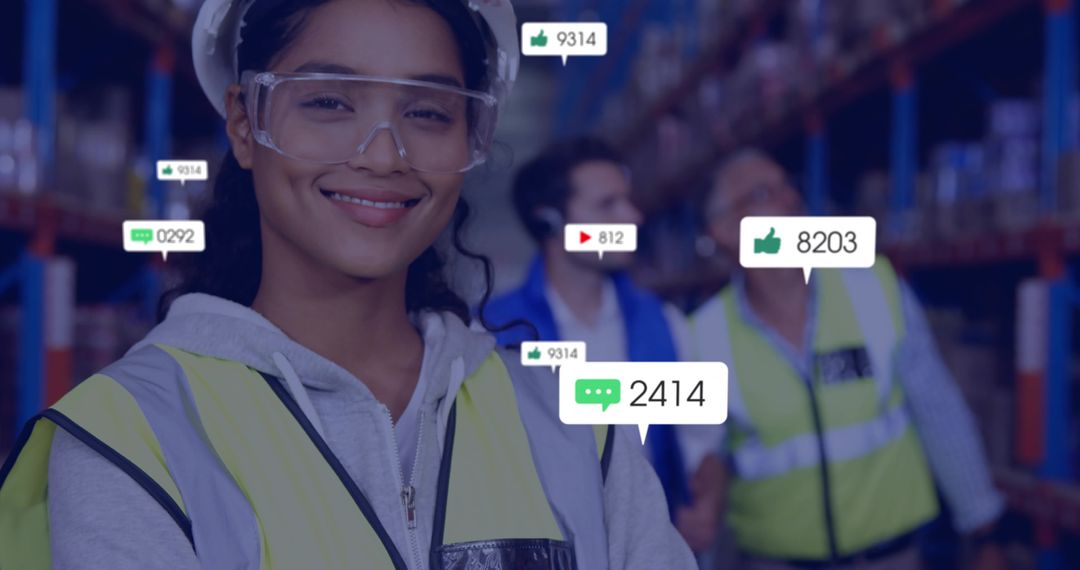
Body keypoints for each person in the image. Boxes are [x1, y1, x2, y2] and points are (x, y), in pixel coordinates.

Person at [0, 1, 695, 568]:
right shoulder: (130, 440)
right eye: (330, 102)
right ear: (245, 124)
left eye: (427, 113)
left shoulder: (580, 434)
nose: (385, 154)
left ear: (470, 141)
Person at [675, 149, 1008, 569]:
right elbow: (705, 454)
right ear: (722, 231)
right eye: (762, 193)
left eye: (787, 185)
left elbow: (939, 411)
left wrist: (985, 531)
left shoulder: (873, 288)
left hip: (892, 558)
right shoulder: (702, 337)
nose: (789, 200)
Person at [482, 137, 694, 514]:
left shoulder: (663, 322)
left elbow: (700, 441)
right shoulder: (491, 333)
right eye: (607, 205)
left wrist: (705, 494)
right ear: (550, 221)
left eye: (627, 200)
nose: (633, 217)